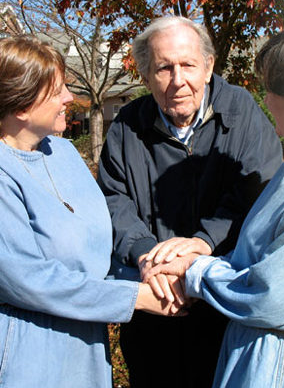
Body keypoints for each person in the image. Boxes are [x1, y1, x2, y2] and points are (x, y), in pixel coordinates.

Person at [144, 23, 284, 388]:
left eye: (272, 90)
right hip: (257, 354)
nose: (265, 101)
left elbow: (267, 297)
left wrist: (193, 270)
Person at [97, 16, 283, 388]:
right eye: (164, 68)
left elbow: (258, 187)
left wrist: (203, 243)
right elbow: (113, 199)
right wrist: (147, 255)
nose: (178, 80)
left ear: (210, 66)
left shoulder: (241, 111)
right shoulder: (127, 125)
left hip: (223, 305)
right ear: (147, 76)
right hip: (156, 302)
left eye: (188, 65)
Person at [0, 35, 182, 388]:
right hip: (32, 358)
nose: (69, 97)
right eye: (57, 91)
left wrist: (153, 276)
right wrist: (135, 298)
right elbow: (29, 280)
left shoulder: (65, 154)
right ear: (22, 106)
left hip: (86, 352)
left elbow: (97, 254)